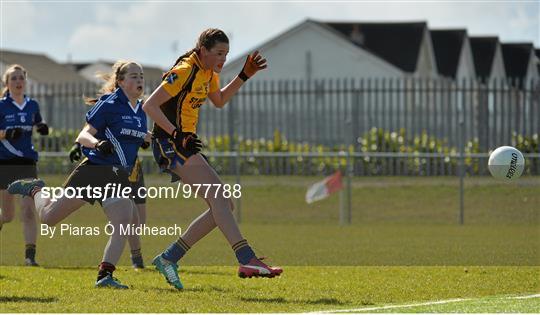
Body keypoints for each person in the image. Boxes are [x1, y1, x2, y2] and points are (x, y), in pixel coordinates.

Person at [142, 28, 282, 290]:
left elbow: (218, 100)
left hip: (183, 143)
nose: (223, 59)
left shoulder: (209, 72)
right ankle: (246, 258)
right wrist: (176, 133)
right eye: (219, 53)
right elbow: (149, 105)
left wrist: (244, 75)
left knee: (223, 205)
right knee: (220, 198)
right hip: (170, 143)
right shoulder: (185, 69)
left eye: (227, 54)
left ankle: (169, 257)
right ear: (203, 51)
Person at [9, 60, 149, 288]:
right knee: (48, 218)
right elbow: (84, 135)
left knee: (124, 220)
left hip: (118, 175)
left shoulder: (140, 111)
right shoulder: (110, 103)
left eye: (141, 75)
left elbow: (141, 134)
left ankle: (105, 276)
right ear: (121, 82)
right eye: (134, 76)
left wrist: (158, 140)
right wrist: (97, 144)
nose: (139, 79)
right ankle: (36, 189)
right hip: (94, 171)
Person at [69, 142, 149, 270]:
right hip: (115, 172)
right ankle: (137, 259)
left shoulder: (138, 122)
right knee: (129, 219)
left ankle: (135, 256)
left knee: (140, 221)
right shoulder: (103, 124)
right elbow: (88, 131)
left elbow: (149, 136)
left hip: (134, 173)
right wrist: (77, 145)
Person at [0, 64, 49, 266]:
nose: (18, 82)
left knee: (28, 210)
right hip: (5, 162)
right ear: (7, 83)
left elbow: (37, 121)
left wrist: (42, 127)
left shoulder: (32, 104)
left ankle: (30, 257)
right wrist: (6, 134)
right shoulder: (2, 105)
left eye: (21, 78)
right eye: (14, 79)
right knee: (8, 215)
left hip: (27, 161)